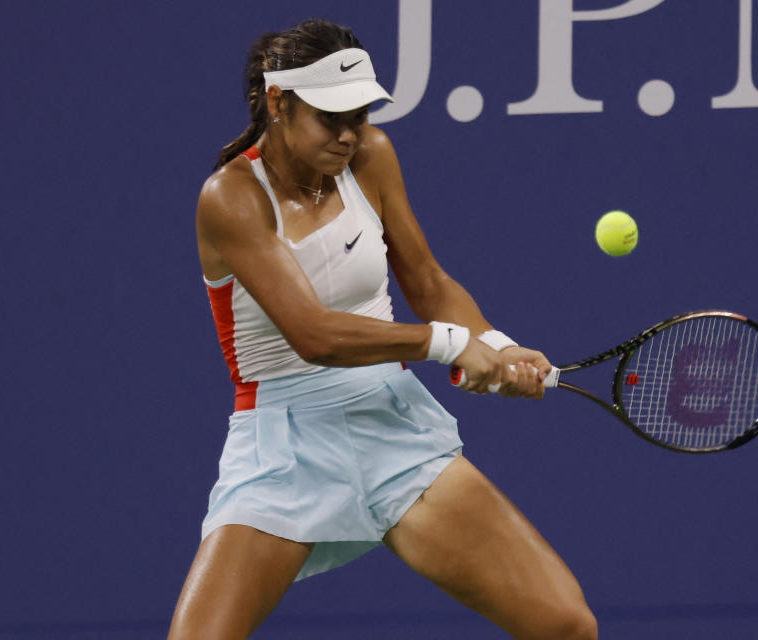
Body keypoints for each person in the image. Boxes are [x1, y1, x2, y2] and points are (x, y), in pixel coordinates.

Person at [168, 19, 598, 640]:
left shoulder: (371, 155)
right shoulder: (231, 197)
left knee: (564, 623)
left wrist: (497, 346)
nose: (349, 133)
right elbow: (312, 334)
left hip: (390, 425)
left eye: (360, 113)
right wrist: (447, 344)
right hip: (285, 445)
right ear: (278, 103)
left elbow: (424, 280)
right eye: (331, 117)